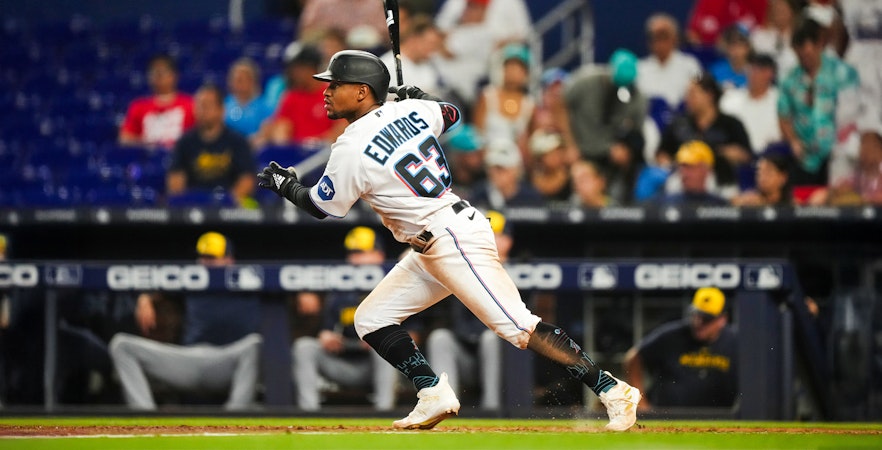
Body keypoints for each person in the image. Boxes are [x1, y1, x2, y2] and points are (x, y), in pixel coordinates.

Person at [257, 49, 641, 430]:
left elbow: (322, 206)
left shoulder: (351, 145)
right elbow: (451, 113)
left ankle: (613, 390)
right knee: (372, 319)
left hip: (450, 238)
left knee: (519, 327)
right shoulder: (411, 112)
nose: (326, 91)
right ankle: (431, 392)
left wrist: (285, 184)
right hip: (435, 241)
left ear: (362, 91)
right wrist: (419, 97)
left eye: (336, 84)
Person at [108, 232, 262, 411]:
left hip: (229, 361)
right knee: (121, 345)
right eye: (201, 257)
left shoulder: (250, 280)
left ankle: (236, 417)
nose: (203, 262)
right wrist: (145, 297)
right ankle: (146, 418)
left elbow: (288, 281)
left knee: (255, 344)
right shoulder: (191, 278)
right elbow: (158, 281)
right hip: (191, 359)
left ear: (229, 260)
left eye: (211, 258)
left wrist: (303, 290)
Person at [292, 226, 400, 411]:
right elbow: (325, 329)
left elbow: (415, 335)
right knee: (304, 347)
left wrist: (379, 338)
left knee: (387, 344)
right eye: (352, 253)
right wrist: (326, 336)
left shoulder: (396, 284)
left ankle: (385, 413)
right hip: (343, 360)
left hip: (376, 363)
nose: (355, 259)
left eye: (361, 253)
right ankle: (308, 414)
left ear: (379, 255)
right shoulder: (339, 291)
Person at [424, 211, 510, 411]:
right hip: (466, 354)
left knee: (491, 338)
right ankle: (445, 408)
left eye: (495, 234)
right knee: (440, 338)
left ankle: (492, 409)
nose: (488, 238)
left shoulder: (521, 269)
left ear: (507, 240)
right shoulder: (457, 266)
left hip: (504, 359)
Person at [624, 287, 739, 410]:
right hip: (665, 416)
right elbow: (634, 358)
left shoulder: (736, 341)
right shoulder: (671, 336)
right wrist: (641, 403)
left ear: (722, 319)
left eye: (707, 318)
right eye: (696, 315)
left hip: (719, 418)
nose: (699, 322)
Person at [778, 17, 860, 186]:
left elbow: (854, 112)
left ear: (819, 44)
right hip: (805, 158)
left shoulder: (842, 73)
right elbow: (783, 115)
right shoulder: (790, 80)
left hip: (838, 153)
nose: (804, 58)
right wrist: (793, 140)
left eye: (807, 51)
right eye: (799, 53)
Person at [658, 72, 752, 196]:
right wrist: (670, 163)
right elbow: (662, 153)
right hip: (682, 178)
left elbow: (746, 155)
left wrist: (726, 153)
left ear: (709, 95)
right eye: (687, 94)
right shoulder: (679, 124)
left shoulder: (731, 124)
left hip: (720, 179)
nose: (687, 99)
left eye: (693, 94)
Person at [166, 84, 256, 206]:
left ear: (221, 109)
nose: (202, 111)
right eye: (199, 106)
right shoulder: (184, 142)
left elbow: (247, 180)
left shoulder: (238, 141)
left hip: (229, 207)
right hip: (193, 206)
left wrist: (227, 203)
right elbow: (175, 181)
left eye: (207, 106)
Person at [559, 48, 647, 165]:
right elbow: (560, 105)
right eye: (618, 85)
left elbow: (636, 133)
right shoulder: (585, 81)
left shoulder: (637, 97)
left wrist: (625, 148)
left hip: (610, 153)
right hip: (578, 148)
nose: (620, 90)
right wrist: (569, 144)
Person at [263, 44, 346, 147]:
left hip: (325, 154)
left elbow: (341, 129)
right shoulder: (290, 96)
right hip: (296, 156)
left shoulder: (333, 93)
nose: (293, 74)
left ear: (311, 68)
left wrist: (313, 145)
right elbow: (282, 127)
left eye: (297, 69)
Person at [118, 54, 195, 149]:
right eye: (153, 73)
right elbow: (125, 138)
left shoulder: (190, 104)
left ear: (174, 75)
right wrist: (148, 144)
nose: (158, 77)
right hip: (146, 159)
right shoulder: (138, 106)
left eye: (162, 72)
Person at [720, 53, 784, 155]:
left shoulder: (781, 100)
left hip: (771, 156)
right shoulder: (730, 99)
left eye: (760, 69)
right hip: (738, 157)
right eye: (752, 68)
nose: (754, 73)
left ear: (771, 74)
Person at [473, 43, 535, 149]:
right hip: (488, 156)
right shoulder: (487, 96)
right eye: (509, 66)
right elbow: (477, 133)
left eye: (518, 68)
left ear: (526, 73)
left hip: (515, 161)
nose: (512, 71)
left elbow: (528, 140)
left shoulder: (529, 104)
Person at [637, 13, 704, 109]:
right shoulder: (640, 68)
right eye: (655, 37)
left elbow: (699, 95)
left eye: (663, 36)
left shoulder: (690, 65)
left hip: (682, 119)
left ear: (674, 38)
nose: (659, 42)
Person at [467, 137, 545, 211]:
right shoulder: (478, 194)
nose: (495, 173)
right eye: (491, 167)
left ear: (516, 170)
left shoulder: (530, 197)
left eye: (501, 168)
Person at [379, 16, 446, 100]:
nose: (433, 50)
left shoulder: (428, 66)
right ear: (413, 38)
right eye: (430, 44)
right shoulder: (386, 66)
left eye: (435, 46)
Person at [658, 140, 730, 206]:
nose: (684, 173)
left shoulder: (720, 205)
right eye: (682, 167)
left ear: (706, 169)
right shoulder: (668, 203)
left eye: (690, 167)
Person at [224, 58, 274, 142]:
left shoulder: (265, 107)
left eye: (240, 80)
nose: (236, 83)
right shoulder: (225, 104)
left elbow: (266, 134)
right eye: (234, 80)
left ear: (252, 81)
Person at [750, 0, 799, 80]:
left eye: (783, 9)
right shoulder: (759, 36)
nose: (779, 13)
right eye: (776, 9)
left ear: (792, 11)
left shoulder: (798, 38)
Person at [527, 129, 571, 202]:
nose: (557, 156)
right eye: (552, 153)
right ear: (539, 158)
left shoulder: (572, 180)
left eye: (559, 151)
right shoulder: (528, 181)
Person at [709, 24, 754, 90]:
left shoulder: (755, 72)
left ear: (748, 48)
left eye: (740, 45)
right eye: (732, 45)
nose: (736, 50)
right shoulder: (715, 70)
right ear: (726, 47)